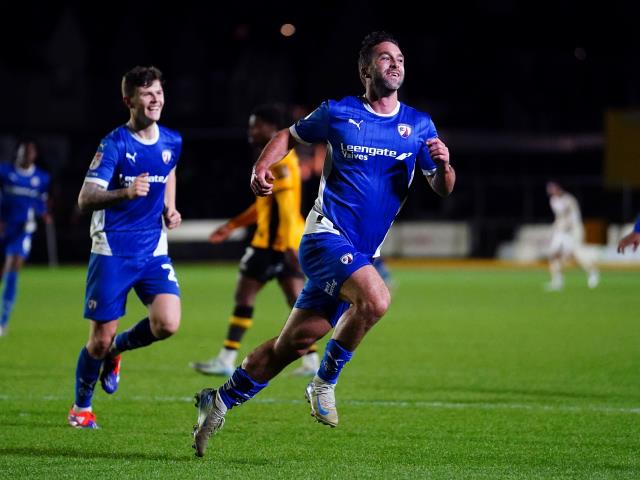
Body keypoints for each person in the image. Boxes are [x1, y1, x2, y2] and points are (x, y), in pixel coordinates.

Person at [191, 31, 455, 457]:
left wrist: (443, 166)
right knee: (377, 299)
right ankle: (324, 382)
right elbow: (288, 136)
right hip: (324, 237)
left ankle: (217, 401)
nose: (396, 64)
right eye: (385, 58)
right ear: (365, 69)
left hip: (359, 253)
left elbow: (442, 187)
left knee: (288, 346)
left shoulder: (419, 125)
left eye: (400, 58)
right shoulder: (339, 113)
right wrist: (262, 165)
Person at [67, 66, 183, 429]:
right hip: (112, 250)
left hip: (153, 249)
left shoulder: (172, 140)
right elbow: (85, 199)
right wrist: (126, 193)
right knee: (97, 342)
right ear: (128, 100)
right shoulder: (114, 144)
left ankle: (118, 351)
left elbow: (170, 171)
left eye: (159, 93)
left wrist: (169, 206)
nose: (155, 99)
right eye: (147, 94)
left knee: (167, 323)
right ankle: (81, 409)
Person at [189, 105, 319, 377]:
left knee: (244, 296)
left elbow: (284, 207)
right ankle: (311, 362)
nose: (251, 131)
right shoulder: (277, 159)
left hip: (273, 245)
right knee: (297, 300)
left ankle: (226, 358)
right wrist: (231, 226)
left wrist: (285, 247)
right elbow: (264, 208)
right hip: (285, 242)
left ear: (273, 129)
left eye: (256, 125)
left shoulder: (279, 161)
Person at [0, 139, 51, 336]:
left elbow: (41, 202)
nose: (24, 156)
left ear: (34, 155)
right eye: (22, 153)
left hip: (23, 231)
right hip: (4, 228)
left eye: (28, 153)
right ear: (17, 154)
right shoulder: (5, 173)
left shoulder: (41, 178)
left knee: (13, 265)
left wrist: (43, 213)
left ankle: (3, 322)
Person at [545, 181, 599, 290]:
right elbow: (559, 217)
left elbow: (573, 217)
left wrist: (564, 226)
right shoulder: (553, 201)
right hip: (562, 231)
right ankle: (557, 282)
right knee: (553, 254)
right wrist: (556, 228)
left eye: (554, 189)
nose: (553, 193)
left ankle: (593, 272)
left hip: (573, 230)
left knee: (576, 255)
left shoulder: (569, 199)